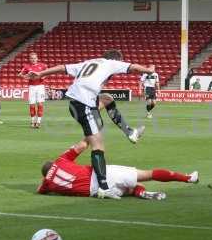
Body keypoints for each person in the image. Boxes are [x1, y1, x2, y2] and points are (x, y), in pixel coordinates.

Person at [27, 49, 154, 199]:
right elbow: (133, 67)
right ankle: (104, 188)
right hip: (84, 104)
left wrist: (41, 74)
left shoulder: (89, 62)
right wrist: (149, 70)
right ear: (116, 59)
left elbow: (62, 67)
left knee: (107, 99)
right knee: (98, 145)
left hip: (77, 103)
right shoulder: (111, 63)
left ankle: (130, 132)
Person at [37, 139, 199, 200]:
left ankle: (141, 192)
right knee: (147, 174)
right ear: (53, 163)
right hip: (101, 175)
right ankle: (188, 178)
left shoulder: (47, 184)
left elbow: (40, 190)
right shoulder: (60, 160)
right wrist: (90, 134)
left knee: (129, 189)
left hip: (97, 193)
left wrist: (46, 182)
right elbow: (82, 145)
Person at [18, 52, 48, 128]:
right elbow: (20, 74)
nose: (33, 59)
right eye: (32, 58)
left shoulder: (43, 66)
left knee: (40, 104)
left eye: (34, 58)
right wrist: (26, 77)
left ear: (37, 58)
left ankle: (38, 122)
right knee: (32, 105)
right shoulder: (26, 66)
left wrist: (42, 77)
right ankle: (32, 121)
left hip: (40, 87)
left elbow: (47, 73)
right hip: (32, 87)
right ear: (30, 59)